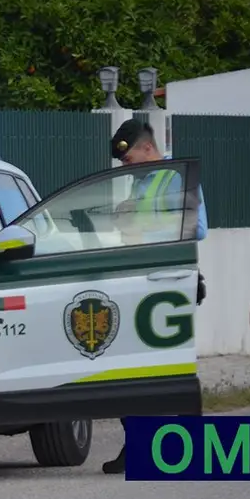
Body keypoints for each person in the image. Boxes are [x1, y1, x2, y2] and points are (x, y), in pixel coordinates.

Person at [101, 118, 208, 475]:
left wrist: (138, 224)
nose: (126, 168)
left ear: (148, 147)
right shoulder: (145, 182)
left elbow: (198, 227)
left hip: (168, 283)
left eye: (128, 159)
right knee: (125, 370)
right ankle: (138, 444)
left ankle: (190, 448)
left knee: (174, 371)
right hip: (139, 284)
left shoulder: (176, 175)